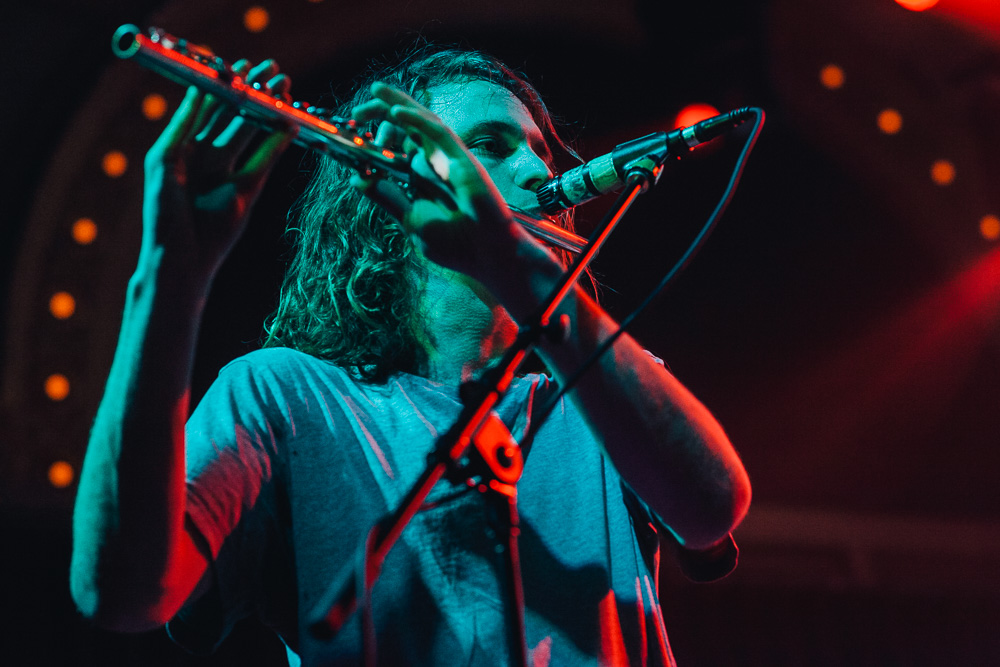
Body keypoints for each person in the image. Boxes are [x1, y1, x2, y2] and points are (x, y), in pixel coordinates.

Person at [70, 45, 751, 666]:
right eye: (491, 144)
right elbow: (122, 593)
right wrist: (167, 276)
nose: (538, 170)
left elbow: (713, 505)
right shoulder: (285, 396)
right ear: (394, 185)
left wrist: (515, 264)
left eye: (543, 150)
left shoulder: (600, 394)